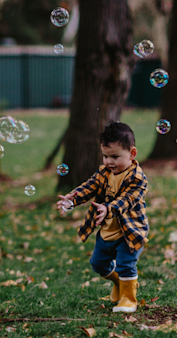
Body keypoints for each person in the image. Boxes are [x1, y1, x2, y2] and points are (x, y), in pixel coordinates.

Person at [56, 122, 149, 313]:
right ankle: (119, 284)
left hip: (129, 232)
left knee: (125, 264)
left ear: (132, 154)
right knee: (97, 264)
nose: (109, 161)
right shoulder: (104, 173)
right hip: (107, 232)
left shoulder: (138, 178)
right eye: (105, 156)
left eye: (115, 156)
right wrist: (72, 200)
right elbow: (89, 187)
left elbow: (127, 200)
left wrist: (108, 208)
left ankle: (128, 299)